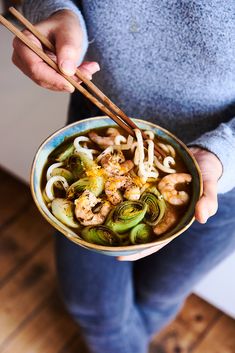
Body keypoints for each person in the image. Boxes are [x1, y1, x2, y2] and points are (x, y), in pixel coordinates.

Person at [12, 1, 235, 352]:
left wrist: (223, 153)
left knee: (161, 296)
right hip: (99, 117)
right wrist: (55, 10)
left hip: (221, 173)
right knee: (92, 306)